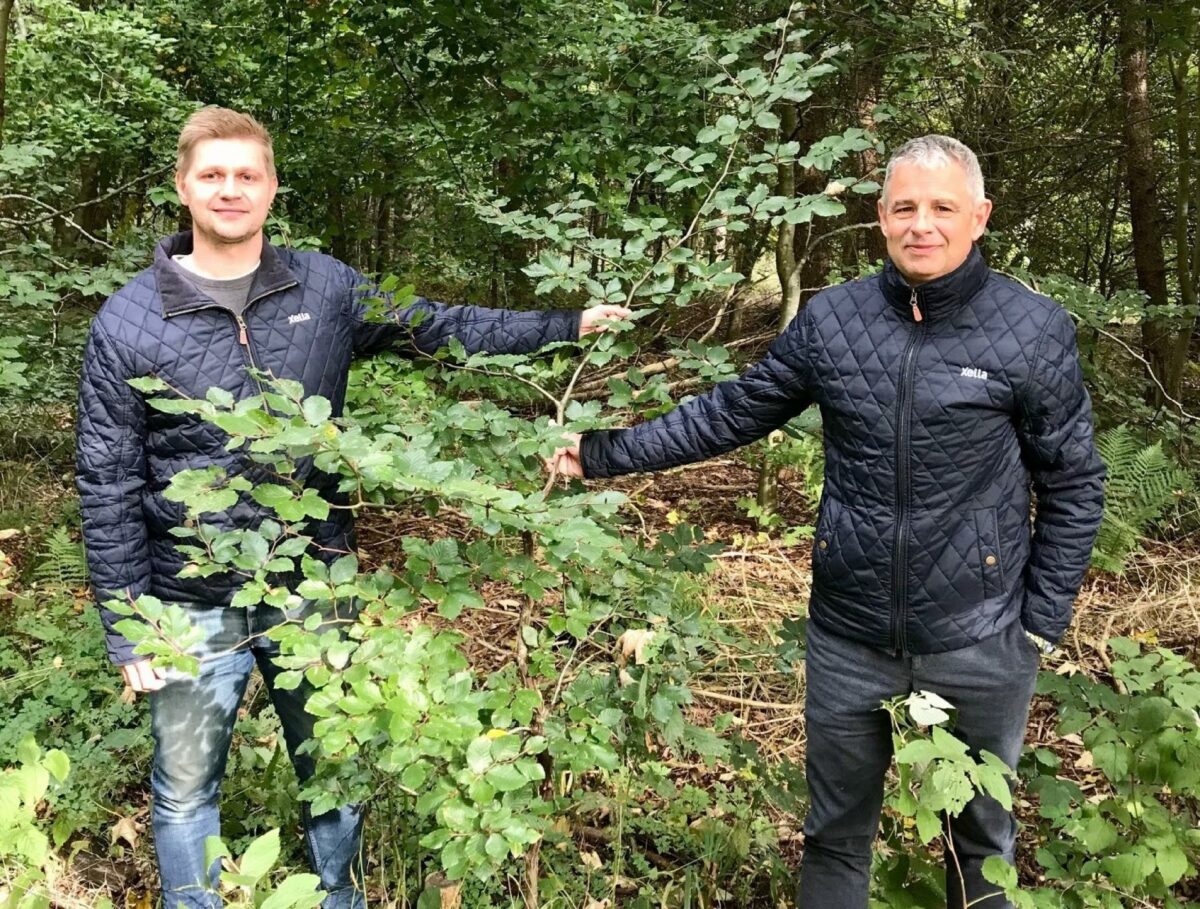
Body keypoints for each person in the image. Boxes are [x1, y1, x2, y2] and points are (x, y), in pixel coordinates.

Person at [75, 106, 629, 909]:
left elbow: (439, 327)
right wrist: (129, 621)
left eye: (247, 175)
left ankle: (342, 897)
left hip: (313, 588)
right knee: (186, 790)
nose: (230, 190)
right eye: (213, 175)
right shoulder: (128, 322)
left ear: (270, 188)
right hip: (186, 602)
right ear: (183, 187)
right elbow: (107, 479)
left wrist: (563, 324)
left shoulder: (324, 287)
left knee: (334, 768)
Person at [546, 135, 1105, 908]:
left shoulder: (1032, 330)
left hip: (982, 636)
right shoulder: (835, 320)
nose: (922, 224)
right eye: (905, 207)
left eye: (942, 207)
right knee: (836, 835)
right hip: (849, 635)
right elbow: (733, 412)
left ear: (979, 216)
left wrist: (1038, 624)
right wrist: (603, 452)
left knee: (979, 842)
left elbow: (1074, 482)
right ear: (880, 217)